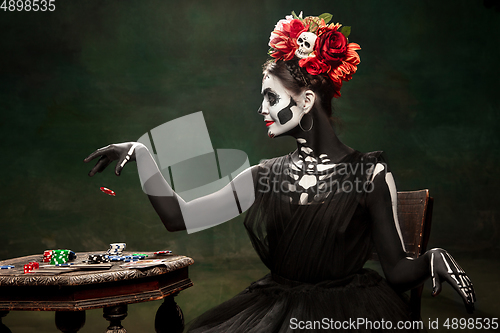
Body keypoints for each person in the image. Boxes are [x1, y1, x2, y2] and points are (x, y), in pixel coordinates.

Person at [85, 12, 475, 332]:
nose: (262, 110)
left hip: (349, 314)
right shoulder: (264, 176)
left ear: (306, 101)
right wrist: (143, 153)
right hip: (273, 311)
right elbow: (178, 217)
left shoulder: (369, 174)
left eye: (271, 97)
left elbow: (397, 271)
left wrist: (431, 259)